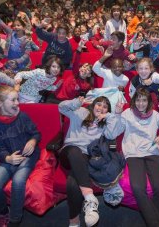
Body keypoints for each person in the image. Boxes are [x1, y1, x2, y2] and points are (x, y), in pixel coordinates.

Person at [111, 88, 159, 227]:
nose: (140, 103)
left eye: (144, 100)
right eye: (138, 100)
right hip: (133, 153)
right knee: (137, 188)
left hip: (151, 152)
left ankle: (153, 221)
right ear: (134, 100)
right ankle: (156, 223)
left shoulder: (155, 114)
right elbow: (114, 133)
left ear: (148, 101)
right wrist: (117, 115)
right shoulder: (127, 113)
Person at [58, 96, 119, 227]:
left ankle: (74, 221)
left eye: (105, 106)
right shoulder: (81, 112)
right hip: (68, 152)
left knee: (73, 183)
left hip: (85, 156)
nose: (101, 108)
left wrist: (109, 117)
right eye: (99, 104)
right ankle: (90, 196)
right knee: (74, 151)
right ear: (93, 105)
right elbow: (61, 107)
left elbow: (112, 135)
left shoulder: (104, 124)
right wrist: (76, 103)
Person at [0, 86, 41, 227]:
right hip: (9, 158)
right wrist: (8, 158)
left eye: (18, 99)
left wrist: (32, 141)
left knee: (18, 181)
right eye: (13, 100)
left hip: (28, 155)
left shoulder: (22, 116)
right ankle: (3, 212)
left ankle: (15, 219)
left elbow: (36, 133)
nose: (17, 103)